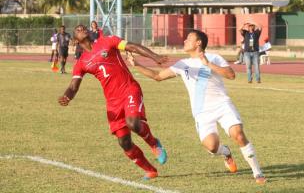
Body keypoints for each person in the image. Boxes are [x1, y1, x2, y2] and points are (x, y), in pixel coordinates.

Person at [127, 29, 266, 185]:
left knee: (238, 134)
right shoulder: (182, 64)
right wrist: (136, 64)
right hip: (202, 113)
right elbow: (157, 76)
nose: (185, 41)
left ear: (198, 42)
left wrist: (208, 64)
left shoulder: (214, 57)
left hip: (222, 105)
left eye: (188, 38)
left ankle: (257, 172)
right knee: (212, 146)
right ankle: (226, 152)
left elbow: (231, 75)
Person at [58, 25, 168, 180]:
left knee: (133, 123)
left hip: (129, 89)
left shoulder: (108, 41)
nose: (81, 27)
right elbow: (73, 86)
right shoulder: (82, 62)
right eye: (77, 29)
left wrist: (154, 56)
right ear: (76, 40)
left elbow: (132, 46)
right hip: (113, 103)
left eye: (83, 27)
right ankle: (150, 170)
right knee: (124, 142)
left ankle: (154, 143)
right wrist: (67, 96)